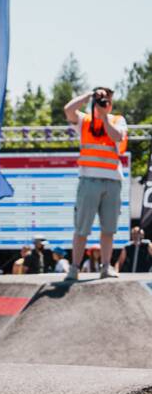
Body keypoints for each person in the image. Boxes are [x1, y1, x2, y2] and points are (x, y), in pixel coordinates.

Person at [64, 86, 128, 280]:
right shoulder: (85, 120)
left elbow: (117, 136)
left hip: (112, 181)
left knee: (108, 229)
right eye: (100, 98)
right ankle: (74, 268)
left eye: (106, 98)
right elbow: (68, 109)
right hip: (88, 180)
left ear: (111, 102)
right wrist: (88, 96)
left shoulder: (118, 120)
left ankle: (106, 267)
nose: (103, 101)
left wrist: (104, 115)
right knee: (81, 227)